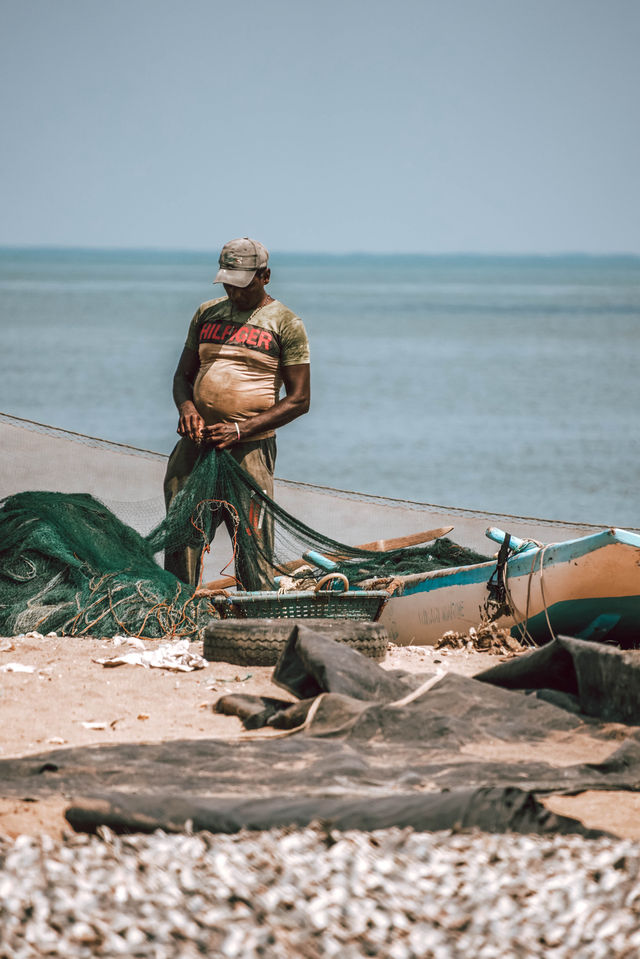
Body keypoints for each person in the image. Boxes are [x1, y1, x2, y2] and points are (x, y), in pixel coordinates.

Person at [163, 237, 310, 590]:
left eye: (242, 284)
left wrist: (240, 430)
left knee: (252, 541)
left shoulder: (286, 323)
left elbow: (299, 399)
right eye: (228, 282)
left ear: (265, 276)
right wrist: (187, 409)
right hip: (196, 445)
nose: (234, 291)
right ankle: (178, 609)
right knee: (182, 536)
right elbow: (182, 377)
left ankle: (254, 616)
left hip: (249, 450)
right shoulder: (206, 314)